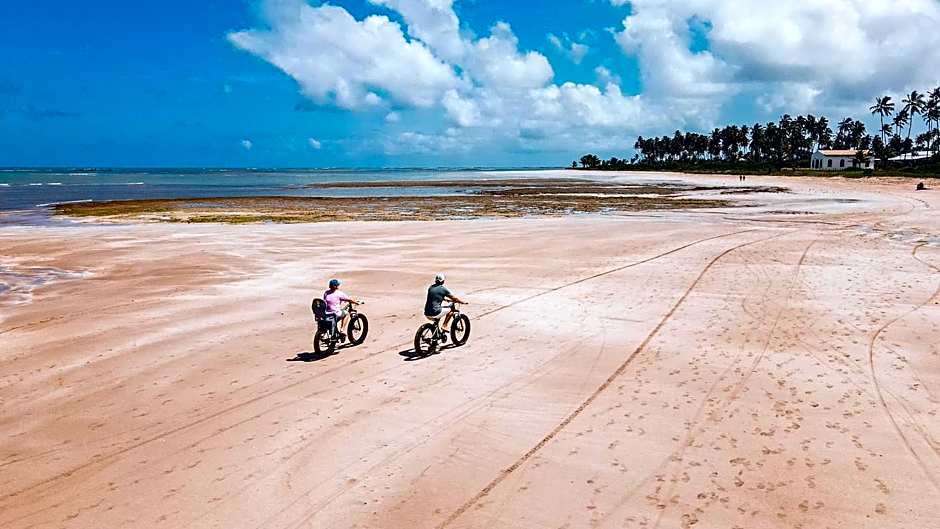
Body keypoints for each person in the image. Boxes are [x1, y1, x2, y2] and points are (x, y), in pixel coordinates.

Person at [424, 273, 466, 339]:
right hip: (435, 312)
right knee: (451, 310)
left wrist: (445, 299)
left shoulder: (431, 287)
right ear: (443, 281)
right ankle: (444, 325)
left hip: (427, 312)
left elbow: (435, 296)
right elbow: (454, 298)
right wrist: (461, 302)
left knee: (438, 317)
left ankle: (436, 335)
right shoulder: (443, 289)